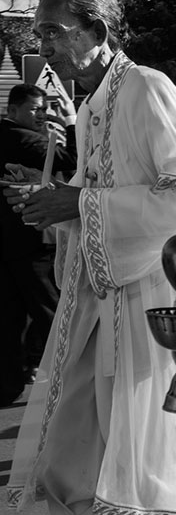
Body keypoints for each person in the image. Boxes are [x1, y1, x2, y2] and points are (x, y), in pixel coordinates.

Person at [4, 0, 176, 515]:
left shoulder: (146, 87)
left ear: (95, 32)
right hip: (96, 297)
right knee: (74, 446)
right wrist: (53, 200)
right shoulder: (92, 103)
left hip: (145, 301)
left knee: (141, 460)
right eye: (38, 33)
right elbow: (92, 191)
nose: (43, 47)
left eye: (53, 32)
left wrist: (80, 201)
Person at [0, 84, 75, 406]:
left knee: (8, 317)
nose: (41, 115)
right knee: (53, 313)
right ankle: (75, 379)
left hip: (8, 244)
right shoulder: (20, 137)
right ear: (13, 111)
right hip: (29, 242)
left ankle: (8, 384)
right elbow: (68, 157)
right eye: (35, 109)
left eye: (45, 109)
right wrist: (69, 122)